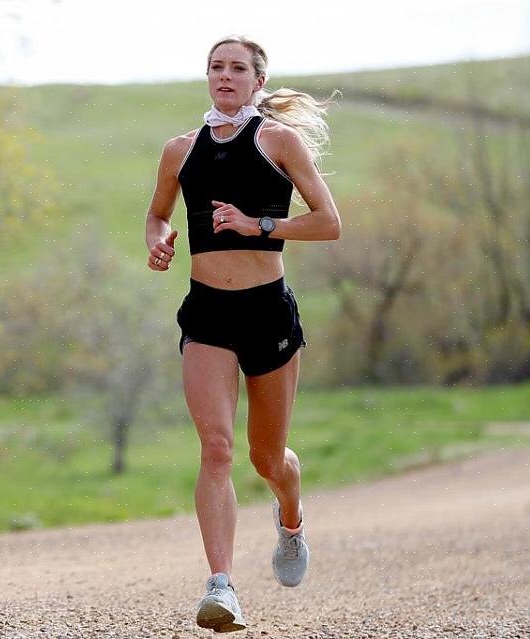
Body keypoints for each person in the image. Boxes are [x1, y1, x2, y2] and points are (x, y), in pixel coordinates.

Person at [144, 35, 341, 633]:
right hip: (206, 313)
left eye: (237, 68)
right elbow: (157, 212)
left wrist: (260, 225)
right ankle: (222, 587)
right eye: (216, 67)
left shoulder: (278, 141)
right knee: (217, 449)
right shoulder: (180, 150)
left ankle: (291, 515)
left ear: (258, 82)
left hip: (267, 313)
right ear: (206, 77)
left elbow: (329, 223)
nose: (225, 76)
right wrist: (157, 239)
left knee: (264, 458)